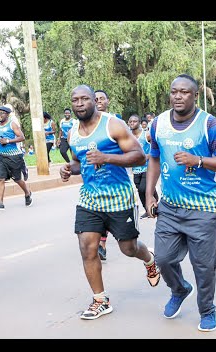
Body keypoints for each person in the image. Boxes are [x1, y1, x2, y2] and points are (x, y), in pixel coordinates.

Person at [60, 84, 161, 320]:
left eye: (85, 99)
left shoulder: (112, 124)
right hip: (90, 198)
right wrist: (69, 170)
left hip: (119, 197)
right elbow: (78, 162)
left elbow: (138, 156)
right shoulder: (73, 132)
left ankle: (149, 259)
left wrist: (106, 157)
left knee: (128, 248)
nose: (80, 103)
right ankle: (100, 300)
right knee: (87, 248)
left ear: (95, 101)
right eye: (75, 100)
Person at [145, 74, 216, 332]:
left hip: (203, 209)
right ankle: (180, 289)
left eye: (184, 92)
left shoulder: (209, 123)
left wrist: (198, 160)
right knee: (162, 258)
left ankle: (207, 310)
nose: (178, 96)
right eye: (174, 91)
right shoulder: (159, 123)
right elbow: (153, 158)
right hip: (170, 207)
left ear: (195, 96)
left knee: (203, 266)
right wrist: (150, 195)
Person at [0, 106, 33, 211]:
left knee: (17, 179)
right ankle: (0, 203)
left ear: (7, 114)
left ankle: (27, 193)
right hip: (1, 156)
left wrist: (8, 141)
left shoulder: (12, 124)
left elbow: (22, 137)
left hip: (13, 157)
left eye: (2, 113)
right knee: (0, 179)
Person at [127, 113, 159, 218]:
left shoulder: (146, 135)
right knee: (140, 191)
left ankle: (154, 195)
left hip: (147, 167)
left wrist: (149, 155)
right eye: (130, 122)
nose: (132, 123)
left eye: (134, 121)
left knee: (143, 188)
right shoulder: (128, 137)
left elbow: (156, 146)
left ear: (140, 123)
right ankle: (147, 209)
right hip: (135, 168)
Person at [94, 89, 112, 260]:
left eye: (102, 98)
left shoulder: (115, 122)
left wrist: (106, 157)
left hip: (113, 178)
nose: (98, 101)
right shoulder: (85, 123)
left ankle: (103, 243)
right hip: (93, 178)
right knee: (97, 211)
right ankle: (101, 244)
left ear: (107, 101)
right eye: (96, 98)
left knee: (129, 246)